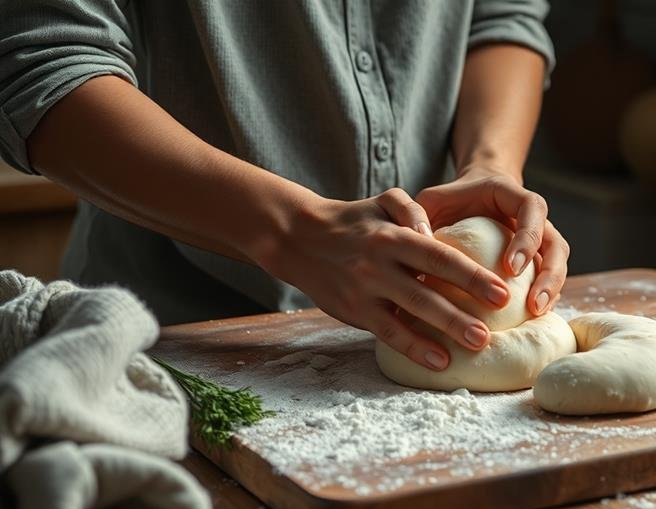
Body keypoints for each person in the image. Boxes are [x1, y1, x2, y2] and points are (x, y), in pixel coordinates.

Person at [0, 1, 569, 372]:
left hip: (418, 323)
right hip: (168, 349)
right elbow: (44, 64)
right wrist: (291, 231)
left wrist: (489, 163)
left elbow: (501, 16)